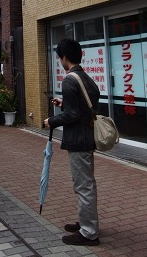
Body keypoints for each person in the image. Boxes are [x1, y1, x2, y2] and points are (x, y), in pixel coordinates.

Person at [44, 38, 100, 247]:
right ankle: (86, 222)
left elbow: (72, 115)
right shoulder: (86, 78)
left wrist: (52, 120)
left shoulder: (69, 80)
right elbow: (88, 103)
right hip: (88, 137)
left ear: (64, 57)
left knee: (83, 186)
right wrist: (65, 102)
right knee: (87, 184)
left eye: (60, 57)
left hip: (77, 139)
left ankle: (89, 232)